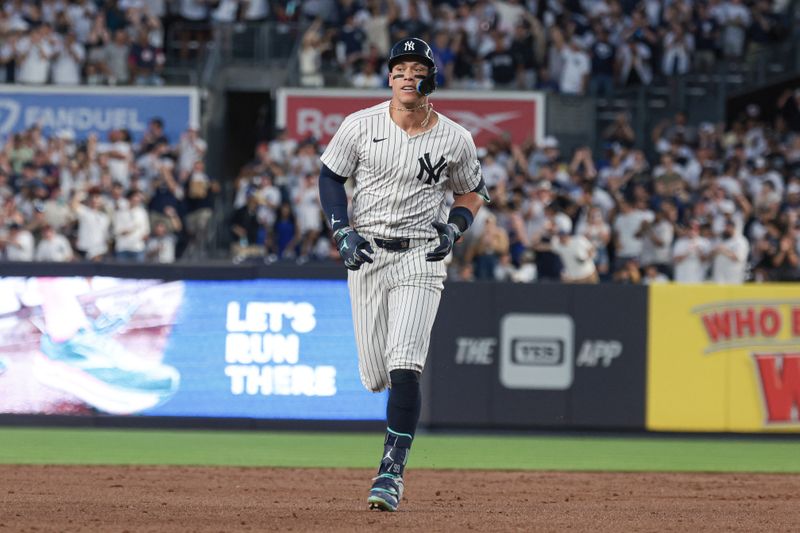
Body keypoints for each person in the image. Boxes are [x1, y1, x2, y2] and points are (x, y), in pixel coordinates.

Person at [317, 37, 488, 512]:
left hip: (421, 256)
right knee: (375, 375)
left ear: (432, 78)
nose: (407, 75)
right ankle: (392, 438)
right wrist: (341, 229)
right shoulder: (360, 125)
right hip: (368, 253)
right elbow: (330, 176)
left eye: (417, 68)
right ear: (388, 77)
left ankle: (391, 470)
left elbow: (472, 192)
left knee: (404, 363)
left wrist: (455, 228)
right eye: (399, 68)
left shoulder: (455, 137)